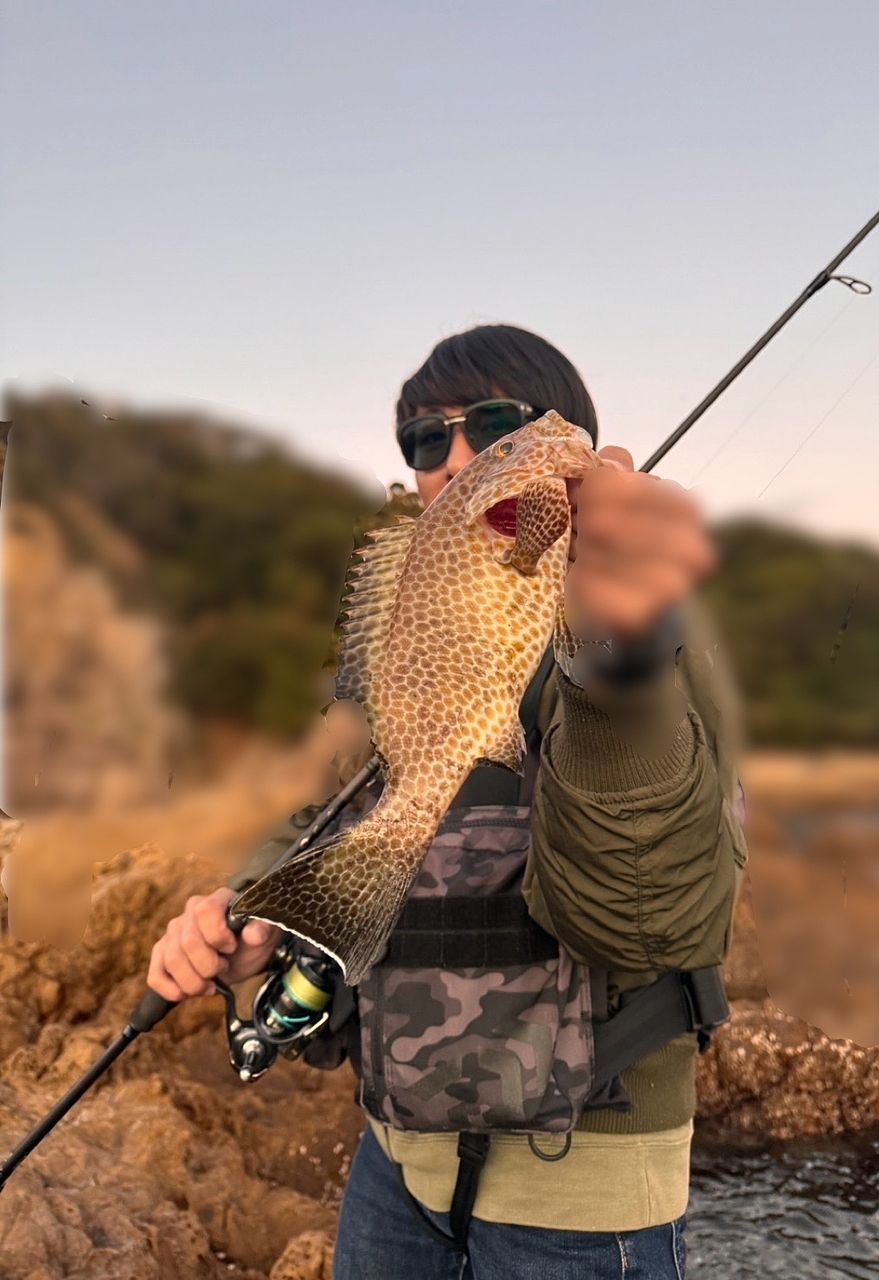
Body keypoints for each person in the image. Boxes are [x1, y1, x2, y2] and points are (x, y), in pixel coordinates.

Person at [148, 324, 747, 1279]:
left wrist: (615, 663)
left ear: (582, 448)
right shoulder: (386, 662)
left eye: (499, 428)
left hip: (582, 1187)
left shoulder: (648, 647)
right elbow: (321, 821)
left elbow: (651, 914)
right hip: (395, 1161)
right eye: (426, 440)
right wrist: (256, 919)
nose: (459, 455)